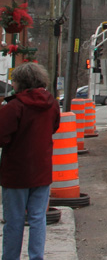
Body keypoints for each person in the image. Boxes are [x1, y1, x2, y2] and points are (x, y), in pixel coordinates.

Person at [0, 62, 61, 260]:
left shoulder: (14, 107)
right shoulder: (51, 103)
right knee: (38, 218)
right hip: (42, 170)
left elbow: (2, 136)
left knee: (14, 221)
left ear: (20, 83)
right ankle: (37, 257)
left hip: (16, 172)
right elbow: (54, 127)